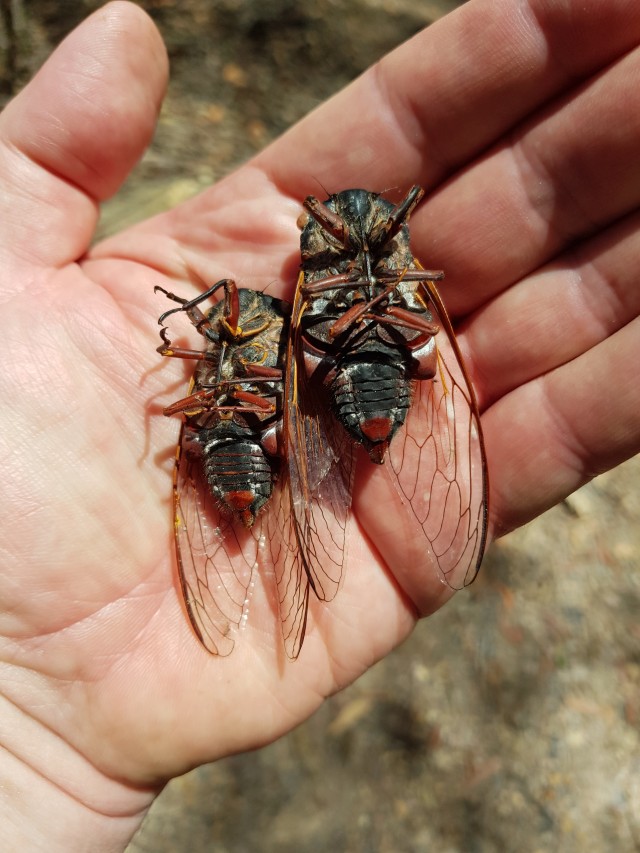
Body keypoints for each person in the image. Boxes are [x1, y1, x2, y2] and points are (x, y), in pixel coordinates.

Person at [1, 0, 638, 848]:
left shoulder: (375, 296)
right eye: (333, 246)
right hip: (314, 390)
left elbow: (391, 339)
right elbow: (295, 370)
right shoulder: (292, 314)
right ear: (318, 263)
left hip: (364, 372)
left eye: (377, 246)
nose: (358, 252)